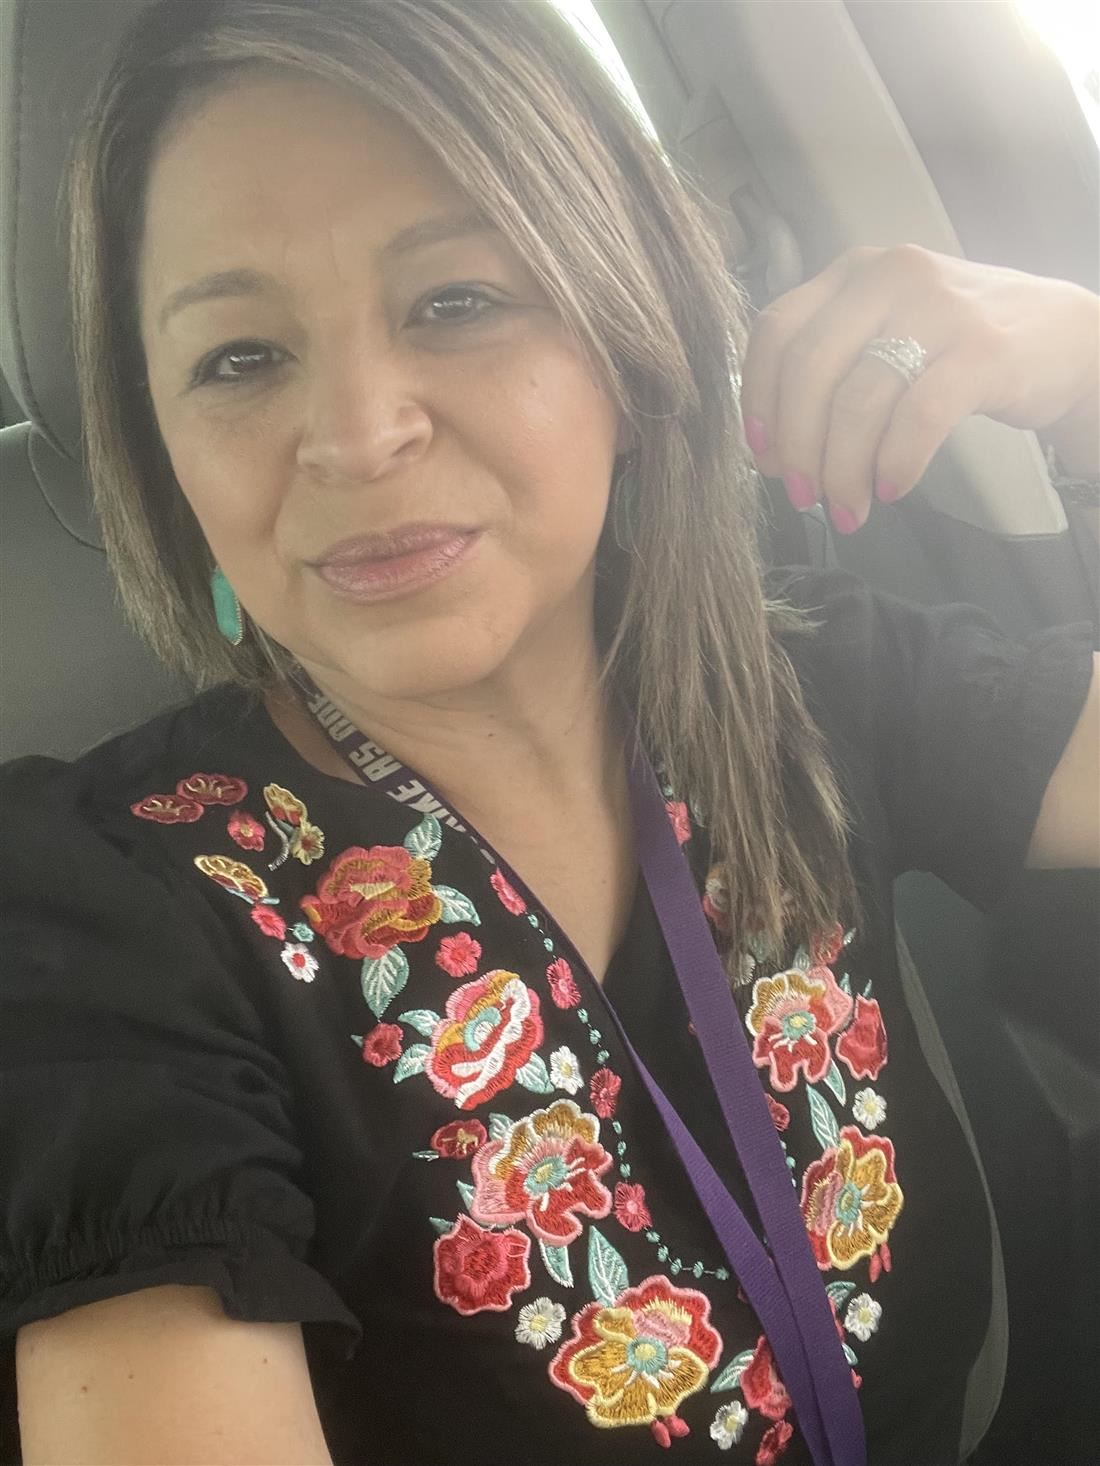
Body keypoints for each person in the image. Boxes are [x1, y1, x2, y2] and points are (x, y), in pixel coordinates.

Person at [1, 2, 1097, 1463]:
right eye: (241, 358)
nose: (358, 433)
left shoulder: (800, 680)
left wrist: (1090, 370)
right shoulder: (93, 918)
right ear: (162, 447)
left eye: (456, 301)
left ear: (629, 343)